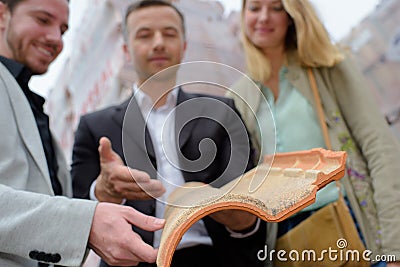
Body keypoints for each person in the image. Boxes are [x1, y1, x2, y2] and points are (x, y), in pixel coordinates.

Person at [71, 1, 267, 267]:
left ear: (184, 46)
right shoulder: (94, 127)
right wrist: (103, 190)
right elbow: (75, 213)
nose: (159, 43)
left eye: (170, 33)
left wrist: (238, 214)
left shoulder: (222, 112)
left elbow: (252, 217)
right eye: (145, 35)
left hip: (214, 258)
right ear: (126, 49)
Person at [226, 0, 400, 266]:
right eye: (254, 8)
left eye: (276, 8)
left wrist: (394, 247)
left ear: (293, 16)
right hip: (286, 239)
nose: (263, 17)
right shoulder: (237, 97)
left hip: (351, 221)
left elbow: (380, 148)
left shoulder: (327, 66)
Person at [0, 0, 165, 266]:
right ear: (2, 13)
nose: (55, 38)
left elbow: (49, 202)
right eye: (42, 20)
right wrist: (86, 222)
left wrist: (103, 194)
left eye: (63, 29)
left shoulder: (33, 105)